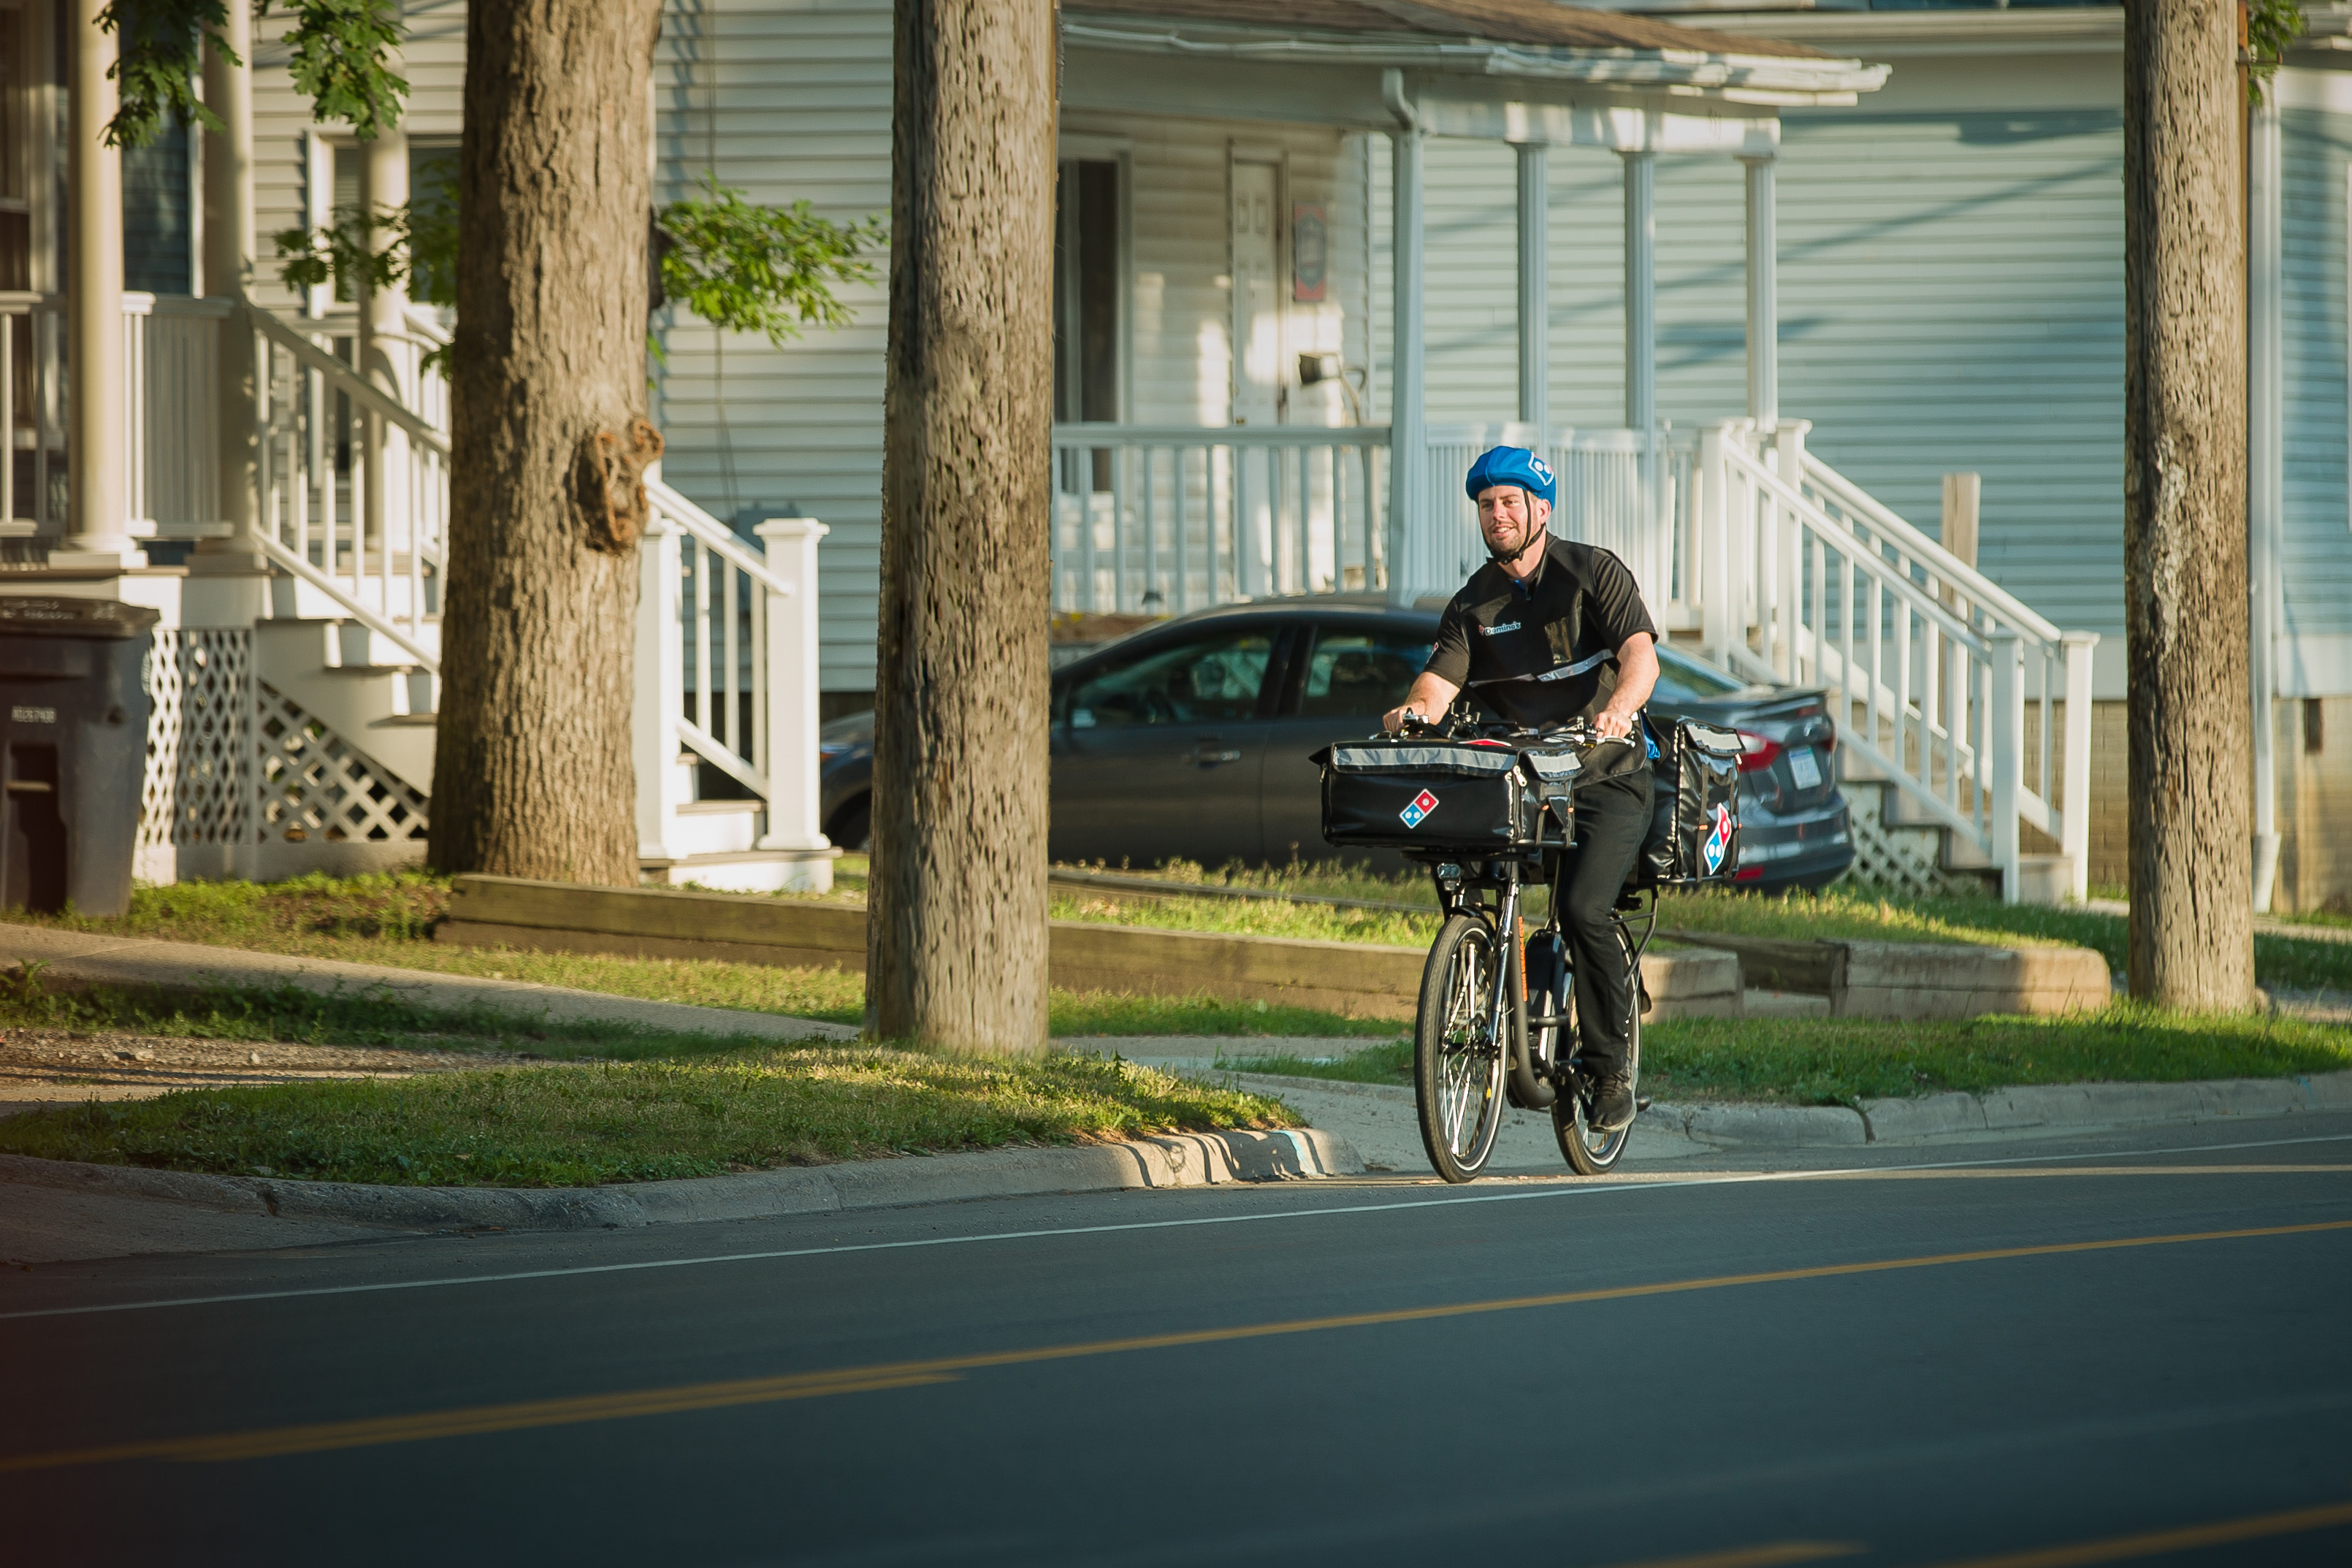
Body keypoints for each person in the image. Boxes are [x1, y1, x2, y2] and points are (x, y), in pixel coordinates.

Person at [1381, 445, 1660, 1133]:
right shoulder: (1474, 603)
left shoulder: (1592, 571)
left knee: (1582, 907)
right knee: (1470, 881)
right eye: (1485, 504)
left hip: (1610, 776)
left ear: (1542, 508)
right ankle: (1492, 993)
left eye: (1510, 501)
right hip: (1525, 784)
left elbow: (1641, 657)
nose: (1497, 514)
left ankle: (1609, 1066)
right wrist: (1414, 710)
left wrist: (1619, 709)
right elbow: (1437, 684)